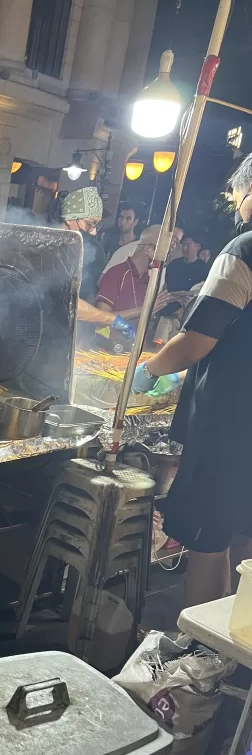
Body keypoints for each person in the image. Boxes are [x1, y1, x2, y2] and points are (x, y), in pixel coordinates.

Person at [132, 152, 252, 608]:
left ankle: (202, 645)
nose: (236, 205)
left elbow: (197, 340)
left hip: (230, 428)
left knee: (208, 542)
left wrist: (150, 370)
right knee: (247, 543)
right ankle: (236, 642)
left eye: (237, 196)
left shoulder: (244, 250)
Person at [60, 187, 123, 327]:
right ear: (69, 219)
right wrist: (111, 319)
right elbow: (66, 301)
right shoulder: (46, 248)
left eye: (96, 226)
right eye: (89, 224)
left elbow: (90, 294)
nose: (93, 232)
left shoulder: (93, 250)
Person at [96, 226, 170, 320]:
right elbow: (102, 317)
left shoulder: (146, 278)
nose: (164, 259)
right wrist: (145, 309)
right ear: (148, 249)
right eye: (162, 253)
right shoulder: (117, 273)